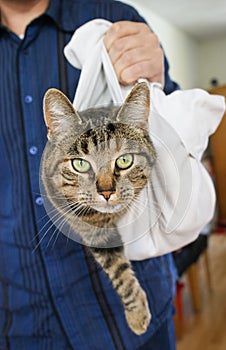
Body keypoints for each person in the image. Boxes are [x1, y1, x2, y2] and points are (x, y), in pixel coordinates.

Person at [0, 0, 181, 349]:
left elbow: (180, 139)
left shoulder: (114, 18)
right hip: (20, 323)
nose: (105, 189)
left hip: (130, 317)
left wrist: (157, 85)